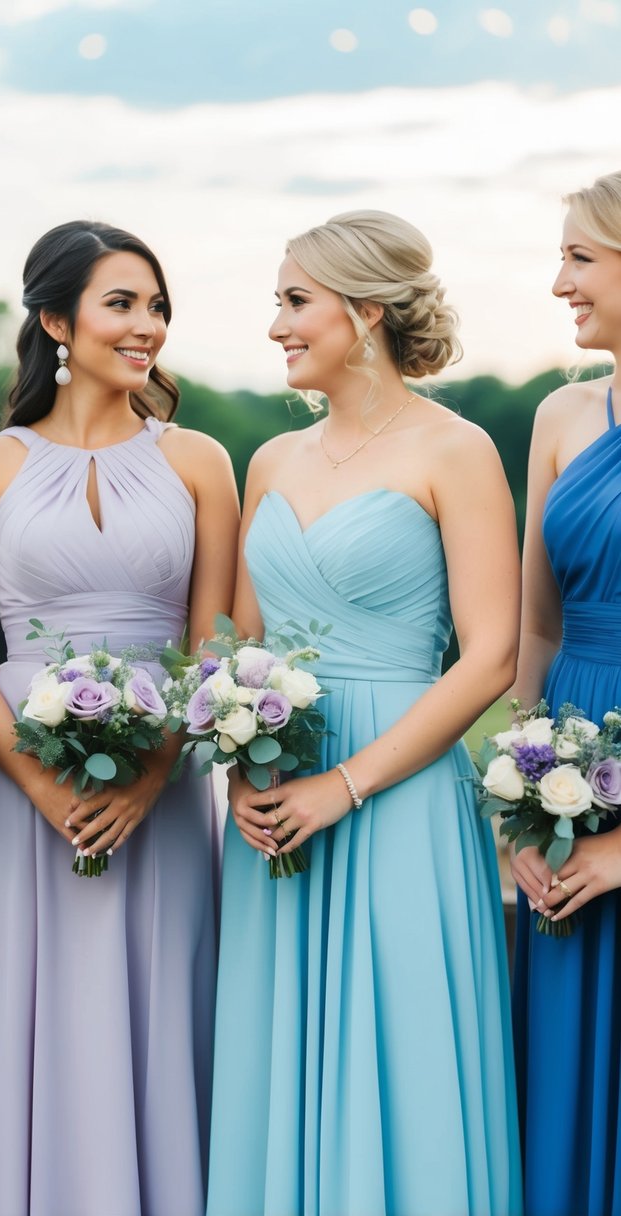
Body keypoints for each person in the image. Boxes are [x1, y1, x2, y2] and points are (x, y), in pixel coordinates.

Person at [206, 209, 523, 1216]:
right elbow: (239, 652)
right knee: (278, 1052)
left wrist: (344, 783)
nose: (277, 328)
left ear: (367, 312)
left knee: (404, 1048)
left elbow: (490, 657)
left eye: (294, 303)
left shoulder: (456, 449)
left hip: (397, 798)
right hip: (274, 807)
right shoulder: (271, 462)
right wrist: (242, 770)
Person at [0, 220, 239, 1216]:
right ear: (56, 319)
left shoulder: (199, 462)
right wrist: (31, 777)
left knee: (160, 1014)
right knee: (27, 1014)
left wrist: (154, 772)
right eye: (122, 303)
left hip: (167, 784)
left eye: (155, 306)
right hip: (21, 798)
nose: (145, 324)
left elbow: (215, 647)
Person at [510, 171, 621, 1216]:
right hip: (568, 782)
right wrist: (519, 796)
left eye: (580, 257)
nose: (558, 284)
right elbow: (536, 627)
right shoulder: (560, 412)